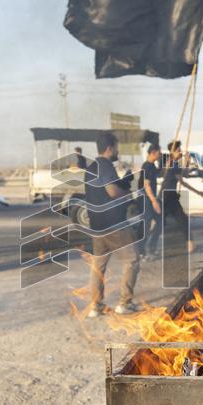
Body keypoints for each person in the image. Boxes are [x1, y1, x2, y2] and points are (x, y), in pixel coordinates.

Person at [86, 132, 141, 316]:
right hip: (114, 225)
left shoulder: (91, 167)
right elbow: (111, 192)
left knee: (98, 266)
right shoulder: (105, 165)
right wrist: (128, 194)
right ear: (109, 148)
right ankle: (124, 303)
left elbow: (100, 192)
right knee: (132, 260)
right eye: (116, 147)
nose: (117, 150)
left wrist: (122, 182)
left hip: (96, 226)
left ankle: (96, 306)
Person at [160, 140, 203, 252]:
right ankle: (190, 244)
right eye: (178, 150)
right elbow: (183, 180)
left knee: (160, 222)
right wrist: (198, 192)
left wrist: (187, 160)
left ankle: (190, 244)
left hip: (168, 196)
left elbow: (184, 173)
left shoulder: (173, 164)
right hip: (168, 196)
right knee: (180, 220)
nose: (180, 152)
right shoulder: (170, 163)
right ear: (172, 151)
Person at [137, 144, 163, 260]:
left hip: (150, 198)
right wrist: (154, 201)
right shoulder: (146, 166)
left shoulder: (152, 166)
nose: (160, 154)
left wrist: (166, 164)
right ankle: (140, 252)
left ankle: (152, 247)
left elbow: (161, 174)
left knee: (160, 222)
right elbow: (146, 186)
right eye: (159, 152)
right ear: (153, 152)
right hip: (146, 199)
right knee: (145, 226)